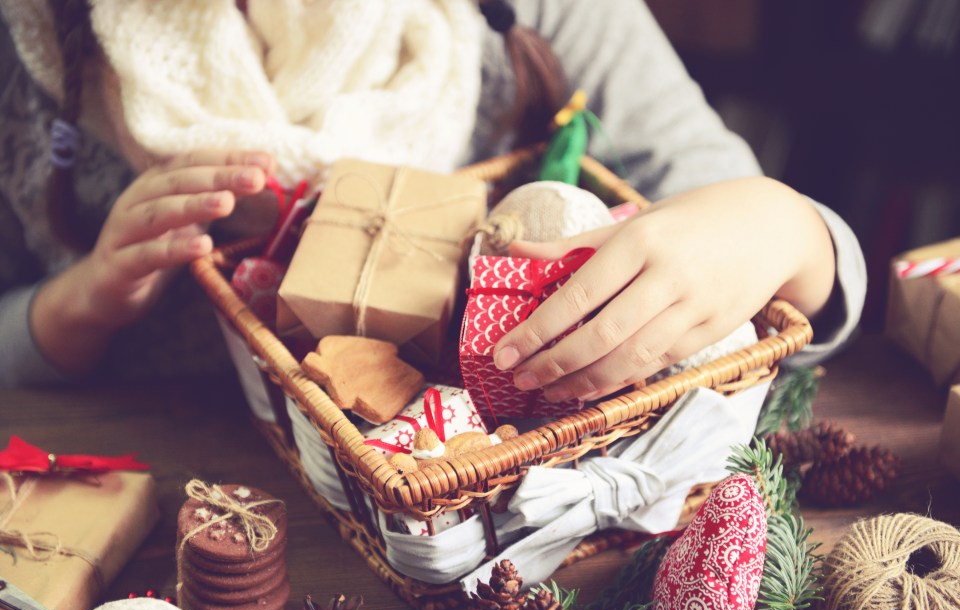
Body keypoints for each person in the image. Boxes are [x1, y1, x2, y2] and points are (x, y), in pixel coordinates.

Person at [0, 0, 865, 394]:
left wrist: (784, 230)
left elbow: (797, 271)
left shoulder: (537, 17)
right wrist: (70, 311)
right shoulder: (38, 53)